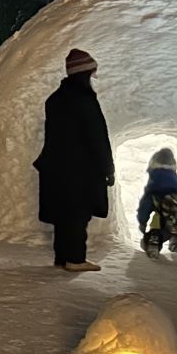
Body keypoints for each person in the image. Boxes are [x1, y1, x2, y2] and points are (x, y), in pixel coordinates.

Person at [33, 49, 115, 272]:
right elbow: (97, 136)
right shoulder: (84, 100)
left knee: (64, 213)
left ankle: (62, 257)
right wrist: (108, 168)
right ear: (84, 74)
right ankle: (75, 259)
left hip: (56, 166)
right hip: (80, 169)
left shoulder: (55, 99)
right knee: (78, 215)